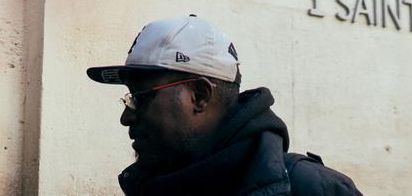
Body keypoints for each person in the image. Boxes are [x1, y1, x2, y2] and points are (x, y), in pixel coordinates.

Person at [87, 15, 362, 196]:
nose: (126, 117)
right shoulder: (147, 187)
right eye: (129, 98)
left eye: (142, 96)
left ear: (200, 95)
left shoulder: (313, 189)